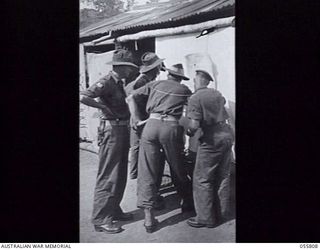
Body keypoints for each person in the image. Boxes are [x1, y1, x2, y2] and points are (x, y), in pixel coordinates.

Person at [126, 63, 194, 233]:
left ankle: (149, 218)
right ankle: (186, 201)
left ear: (168, 75)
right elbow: (193, 109)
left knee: (147, 170)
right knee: (177, 165)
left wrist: (134, 117)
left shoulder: (154, 84)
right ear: (180, 78)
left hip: (150, 126)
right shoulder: (184, 89)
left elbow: (129, 97)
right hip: (170, 128)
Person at [80, 49, 139, 234]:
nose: (130, 71)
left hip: (121, 128)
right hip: (111, 129)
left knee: (120, 171)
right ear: (120, 66)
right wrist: (102, 106)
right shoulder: (106, 81)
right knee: (108, 173)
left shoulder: (119, 83)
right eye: (128, 68)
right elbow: (83, 96)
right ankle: (101, 218)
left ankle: (113, 209)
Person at [186, 69, 234, 228]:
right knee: (223, 175)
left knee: (202, 178)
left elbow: (194, 124)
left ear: (197, 81)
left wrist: (189, 131)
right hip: (226, 135)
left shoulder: (195, 98)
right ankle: (223, 213)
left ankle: (205, 218)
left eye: (194, 80)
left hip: (211, 139)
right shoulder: (217, 94)